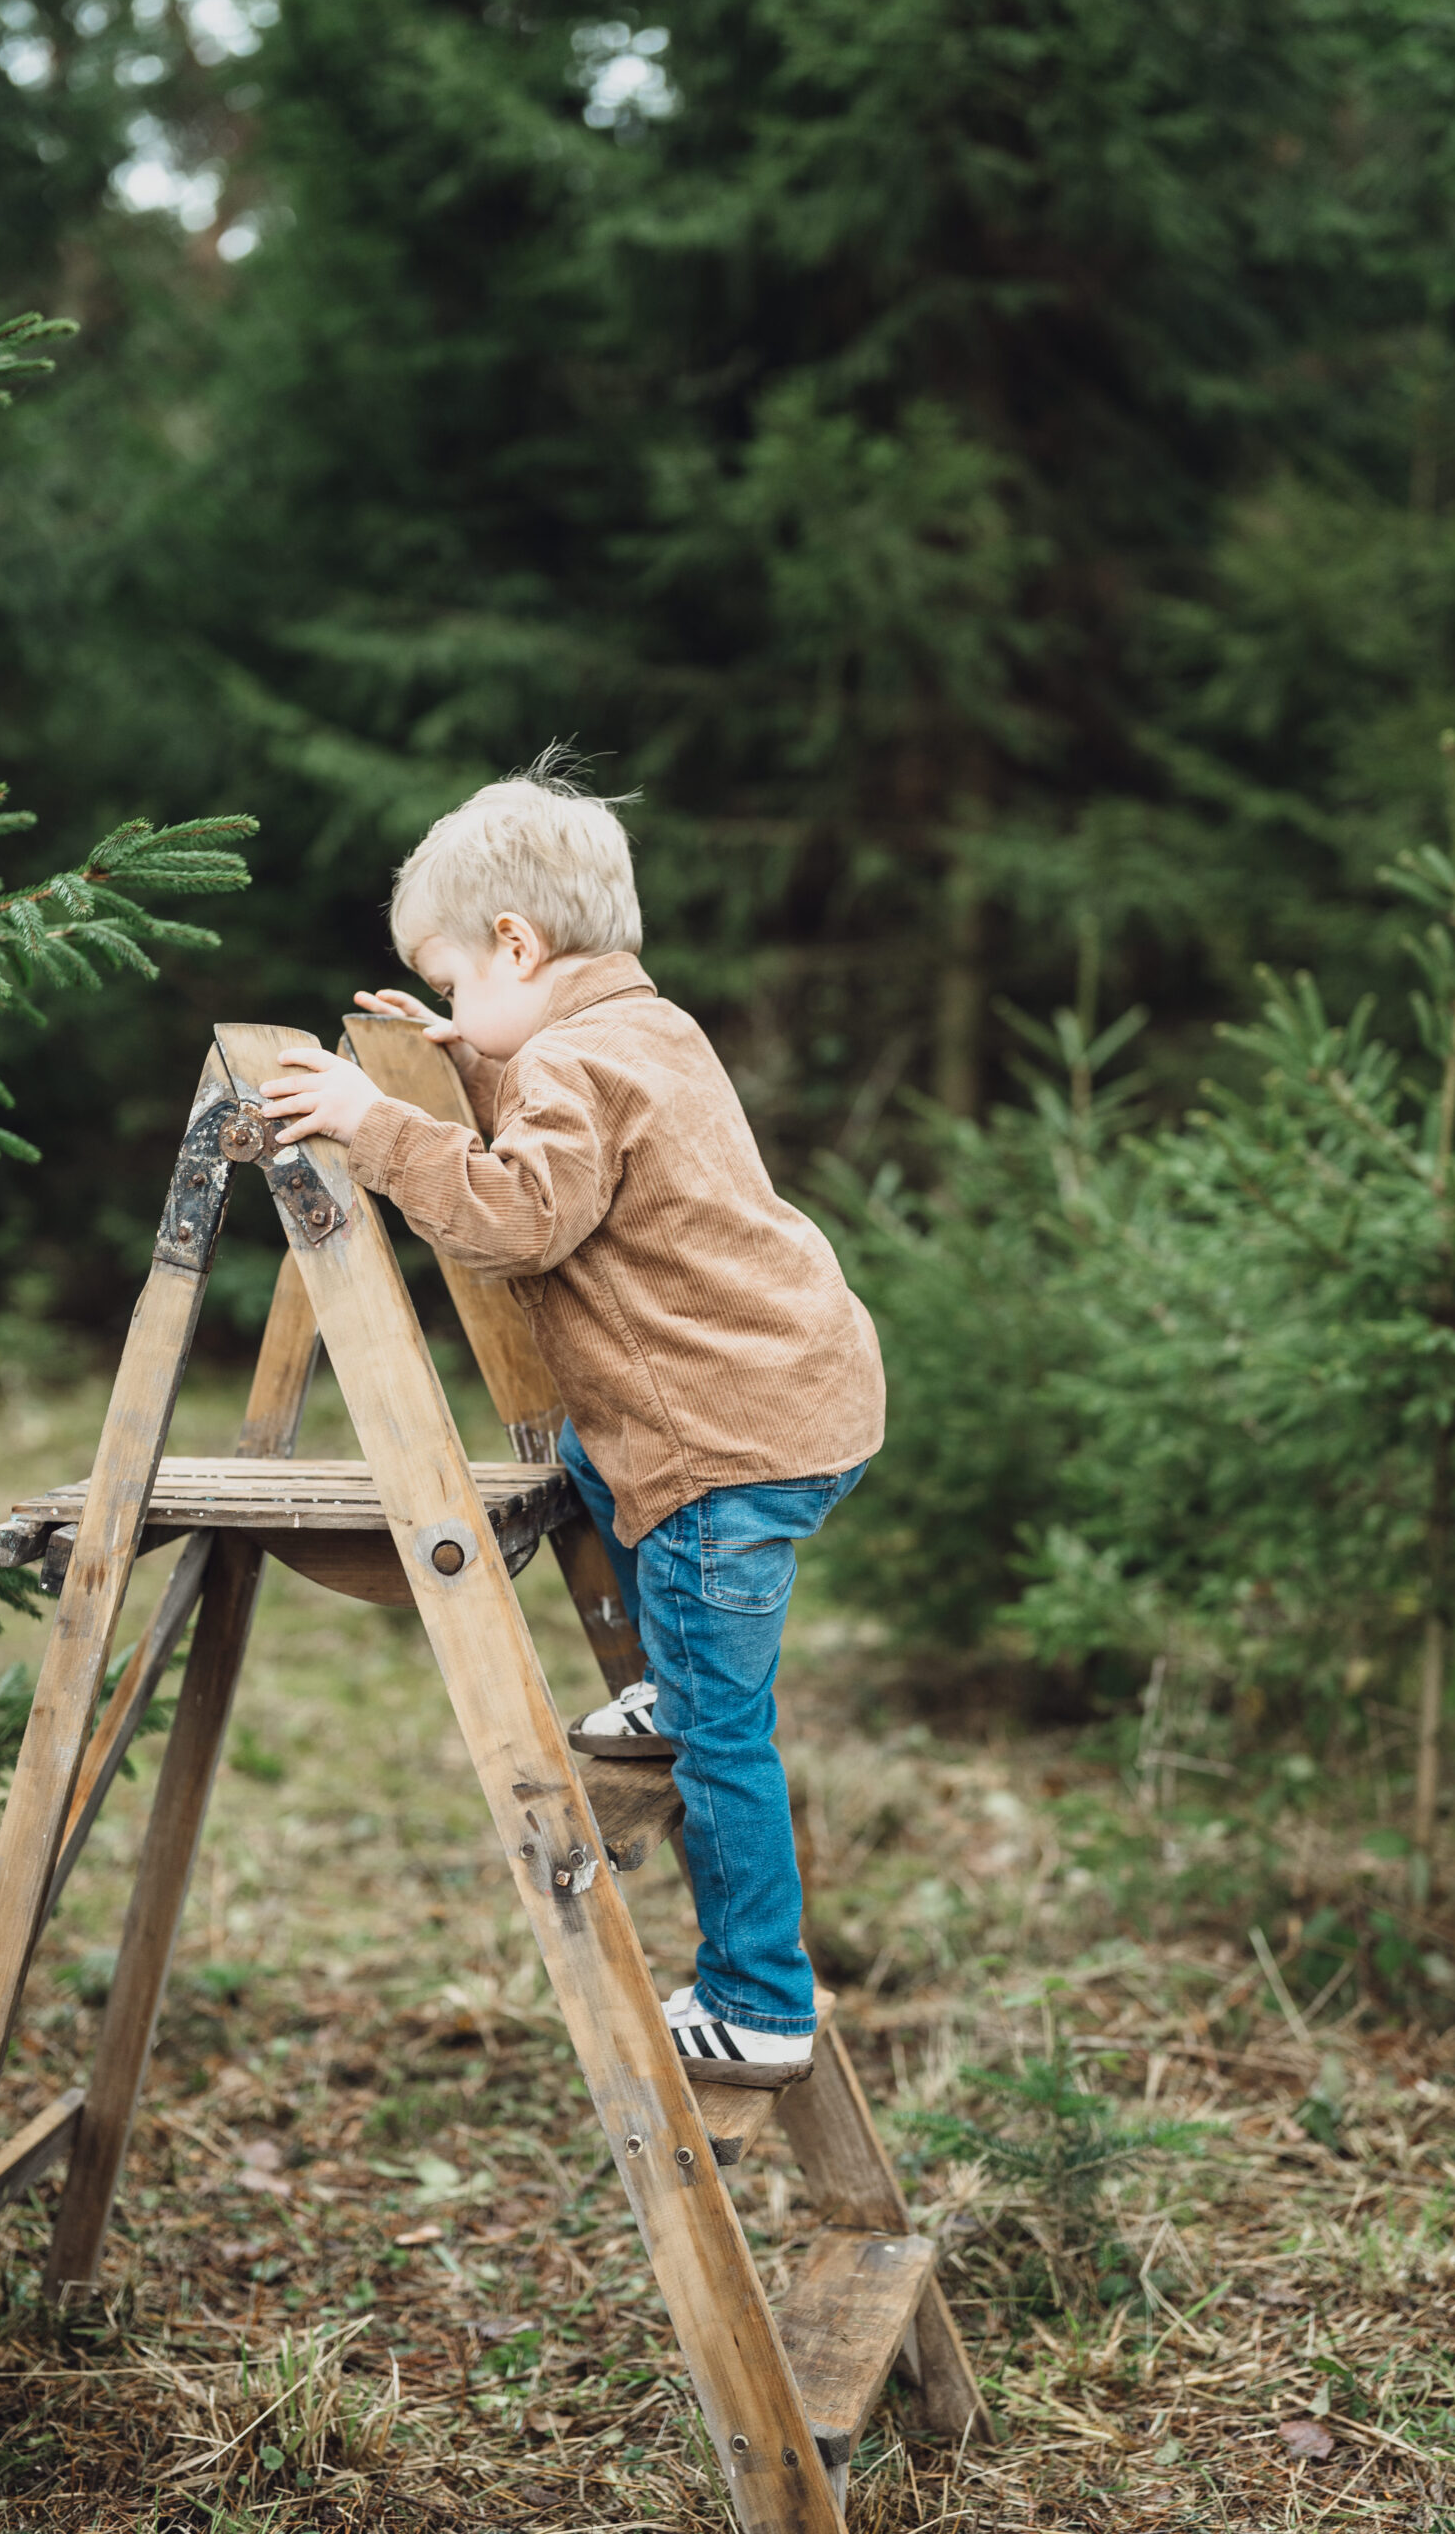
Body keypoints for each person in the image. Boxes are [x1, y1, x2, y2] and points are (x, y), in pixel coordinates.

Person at [260, 755, 884, 2086]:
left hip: (726, 1436)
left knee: (724, 1738)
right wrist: (459, 1068)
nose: (451, 1012)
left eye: (453, 990)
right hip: (787, 1393)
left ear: (514, 943)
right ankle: (671, 1679)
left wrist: (376, 1125)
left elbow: (518, 1215)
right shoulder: (645, 1030)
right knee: (600, 1458)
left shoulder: (565, 1068)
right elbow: (574, 1151)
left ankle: (760, 2003)